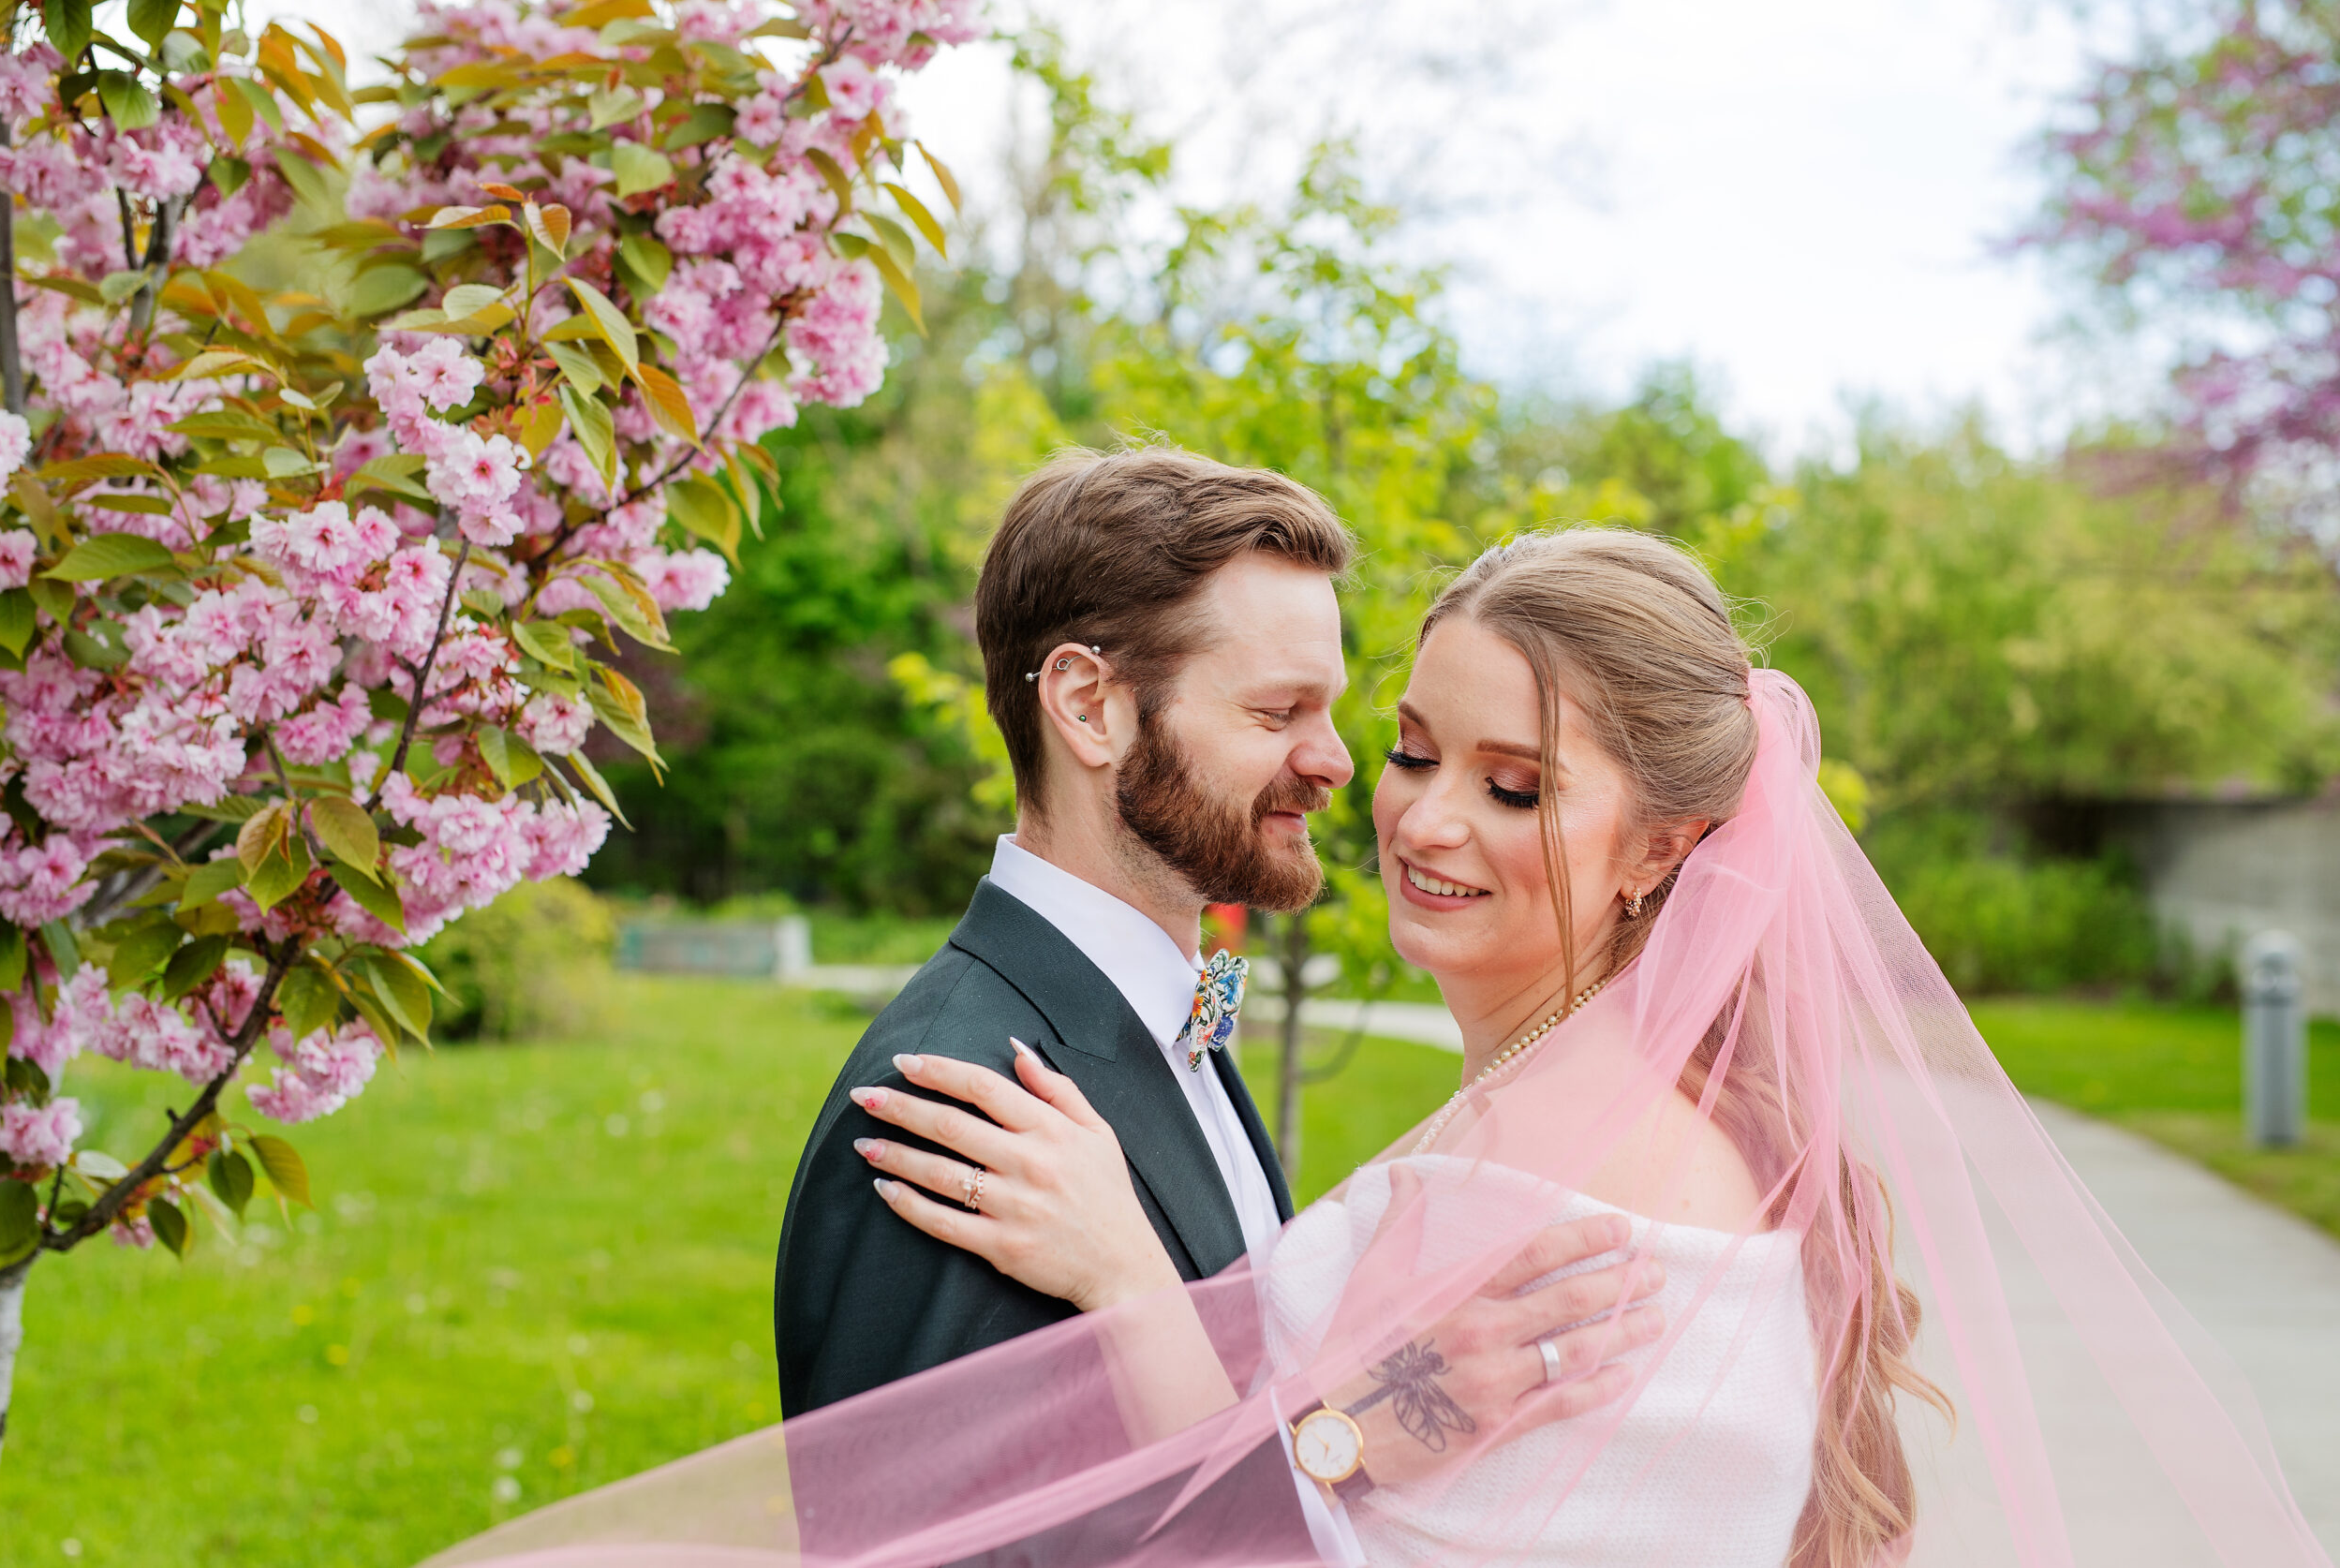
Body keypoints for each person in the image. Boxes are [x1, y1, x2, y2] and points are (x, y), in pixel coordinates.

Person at [429, 525, 2328, 1568]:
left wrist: (1130, 1280)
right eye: (1409, 747)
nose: (1407, 811)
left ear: (1672, 838)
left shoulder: (1569, 1150)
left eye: (1514, 784)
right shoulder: (1616, 1100)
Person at [772, 451, 1658, 1561]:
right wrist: (1351, 1441)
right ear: (1091, 707)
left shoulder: (1167, 1031)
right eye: (1279, 710)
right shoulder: (964, 1105)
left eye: (1334, 713)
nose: (1335, 762)